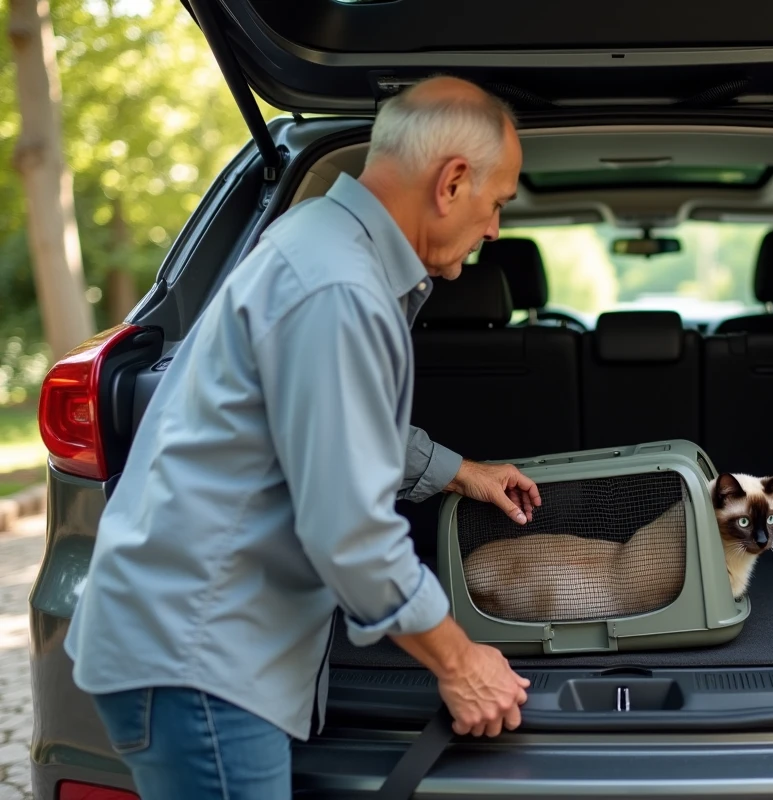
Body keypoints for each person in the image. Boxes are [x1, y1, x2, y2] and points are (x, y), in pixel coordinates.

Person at [65, 76, 537, 799]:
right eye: (498, 203)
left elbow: (321, 424)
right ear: (451, 183)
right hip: (201, 662)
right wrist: (460, 662)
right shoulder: (339, 288)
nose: (496, 229)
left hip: (192, 648)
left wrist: (458, 470)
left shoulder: (317, 240)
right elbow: (350, 532)